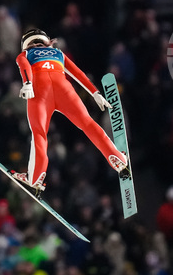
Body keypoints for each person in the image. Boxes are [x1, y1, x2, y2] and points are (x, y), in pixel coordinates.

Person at [13, 28, 128, 196]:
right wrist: (95, 93)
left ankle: (36, 179)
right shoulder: (57, 53)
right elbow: (78, 74)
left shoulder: (25, 55)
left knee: (39, 134)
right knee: (87, 123)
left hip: (40, 89)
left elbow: (24, 66)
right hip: (64, 89)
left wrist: (28, 83)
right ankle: (116, 158)